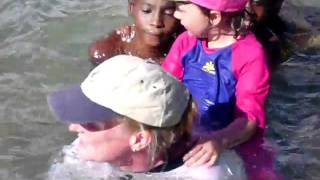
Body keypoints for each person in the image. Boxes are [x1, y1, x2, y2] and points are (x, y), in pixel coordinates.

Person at [47, 55, 247, 179]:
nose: (73, 127)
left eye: (90, 122)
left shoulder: (207, 175)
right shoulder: (83, 150)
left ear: (140, 139)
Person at [161, 0, 281, 179]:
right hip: (187, 130)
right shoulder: (186, 41)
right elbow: (162, 86)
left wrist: (219, 140)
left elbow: (250, 118)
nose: (175, 15)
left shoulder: (250, 55)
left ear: (214, 17)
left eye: (182, 9)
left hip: (232, 140)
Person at [89, 0, 184, 65]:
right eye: (146, 10)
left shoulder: (188, 49)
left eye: (168, 12)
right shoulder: (107, 50)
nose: (156, 22)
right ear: (131, 8)